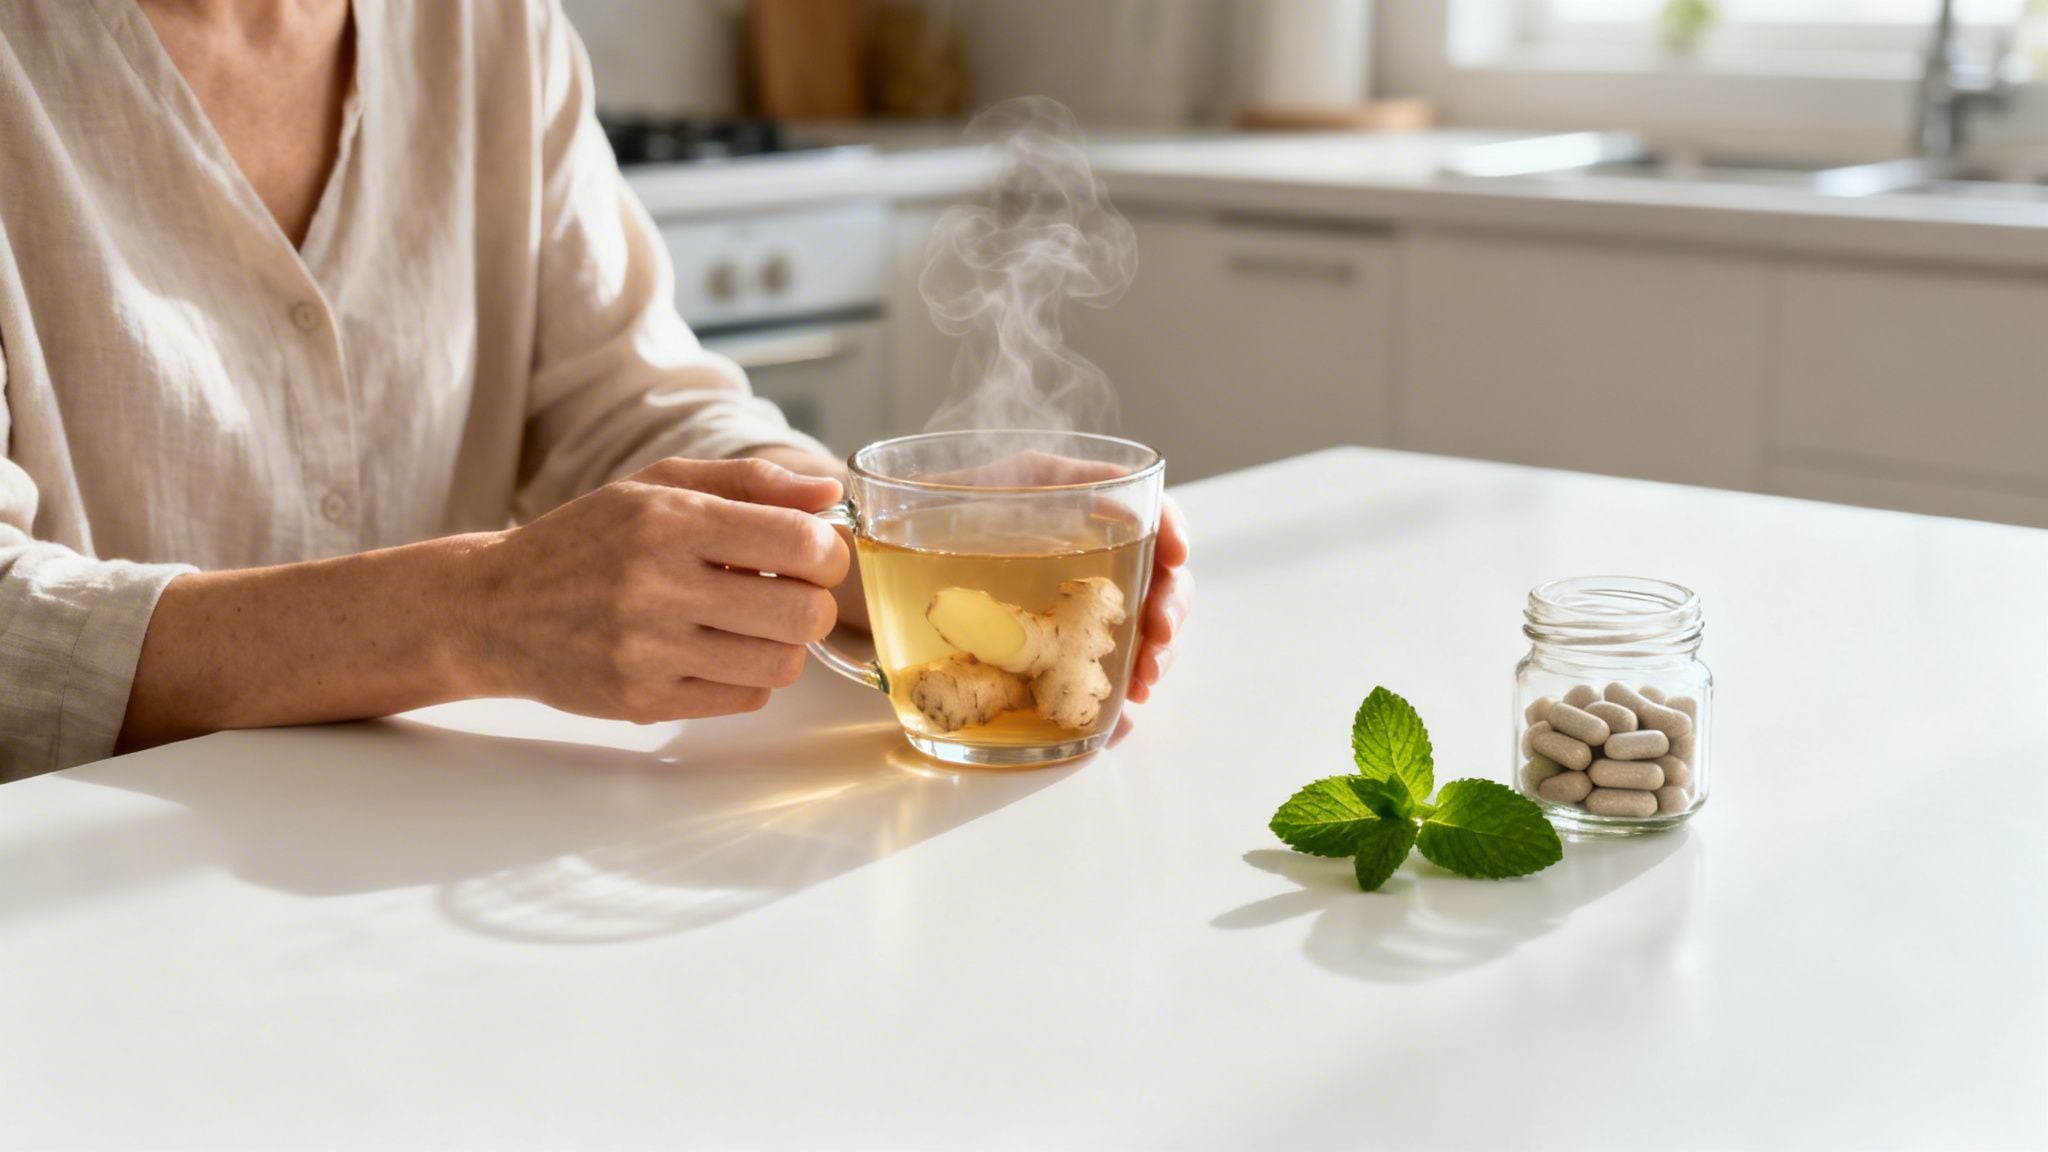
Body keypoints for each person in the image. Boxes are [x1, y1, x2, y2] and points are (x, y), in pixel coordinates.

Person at [0, 0, 1191, 779]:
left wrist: (896, 536)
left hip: (421, 862)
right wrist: (475, 611)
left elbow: (630, 403)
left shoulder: (491, 30)